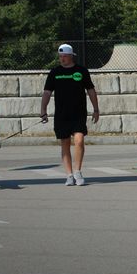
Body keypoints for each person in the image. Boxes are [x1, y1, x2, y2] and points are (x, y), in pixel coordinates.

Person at [40, 44, 99, 186]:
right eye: (60, 56)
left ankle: (78, 171)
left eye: (65, 56)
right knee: (65, 144)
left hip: (78, 113)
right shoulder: (54, 72)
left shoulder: (81, 71)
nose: (62, 59)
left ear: (71, 56)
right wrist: (43, 110)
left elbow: (91, 90)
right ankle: (69, 175)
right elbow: (47, 92)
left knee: (79, 141)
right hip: (61, 115)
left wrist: (96, 109)